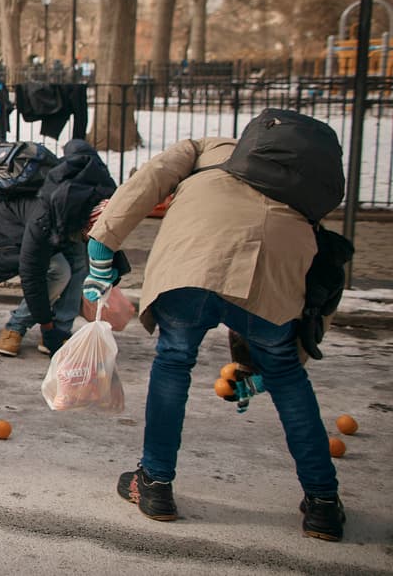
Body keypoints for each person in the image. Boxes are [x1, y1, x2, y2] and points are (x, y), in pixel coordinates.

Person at [86, 131, 346, 540]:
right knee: (288, 379)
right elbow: (321, 288)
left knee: (173, 361)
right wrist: (283, 360)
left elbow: (151, 177)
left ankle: (154, 484)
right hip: (272, 267)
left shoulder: (208, 145)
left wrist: (102, 244)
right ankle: (323, 505)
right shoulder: (299, 184)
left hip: (194, 257)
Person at [0, 140, 115, 357]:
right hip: (3, 235)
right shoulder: (44, 215)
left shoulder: (94, 192)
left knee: (80, 260)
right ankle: (15, 327)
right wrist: (46, 323)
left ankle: (62, 328)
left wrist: (110, 275)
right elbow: (32, 274)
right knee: (60, 271)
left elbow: (77, 146)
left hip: (49, 228)